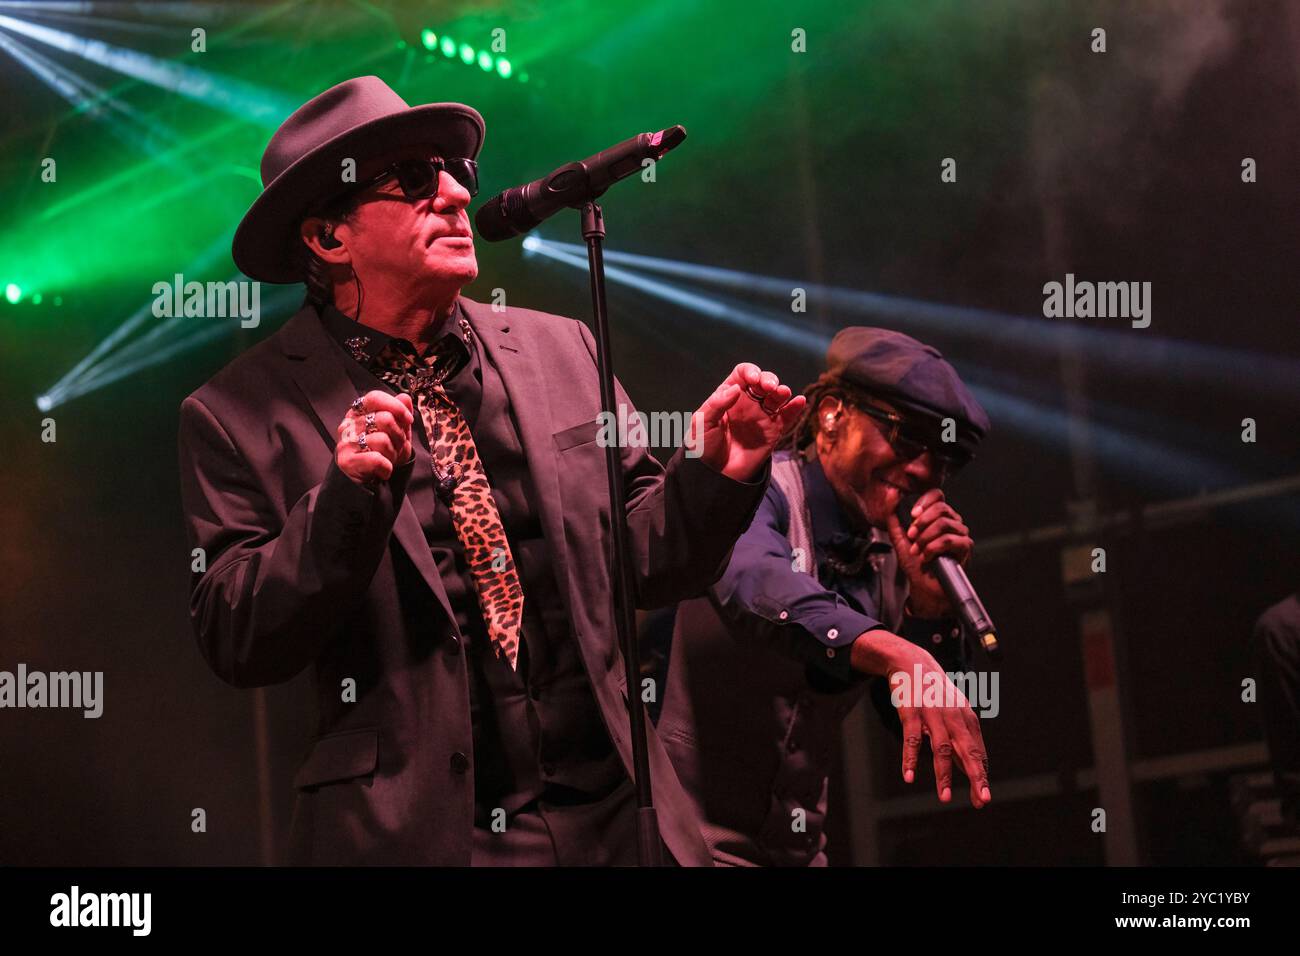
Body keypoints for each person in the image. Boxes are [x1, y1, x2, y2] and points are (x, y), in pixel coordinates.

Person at [177, 76, 804, 866]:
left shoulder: (561, 349)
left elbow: (643, 558)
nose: (452, 194)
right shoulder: (237, 412)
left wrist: (719, 468)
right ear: (328, 238)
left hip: (618, 820)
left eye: (455, 173)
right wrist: (342, 502)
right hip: (428, 836)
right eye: (412, 180)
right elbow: (239, 639)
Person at [658, 327, 993, 866]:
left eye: (942, 460)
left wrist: (929, 611)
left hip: (796, 854)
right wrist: (895, 650)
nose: (924, 471)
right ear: (833, 413)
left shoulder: (891, 555)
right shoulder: (757, 488)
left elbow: (932, 745)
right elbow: (755, 584)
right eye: (907, 439)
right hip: (681, 844)